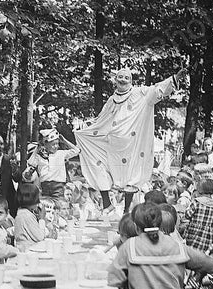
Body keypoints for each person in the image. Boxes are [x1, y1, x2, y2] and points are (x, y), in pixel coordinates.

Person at [75, 67, 186, 214]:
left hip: (132, 145)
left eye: (126, 78)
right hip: (112, 145)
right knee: (98, 165)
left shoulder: (140, 93)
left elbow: (157, 89)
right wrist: (86, 131)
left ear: (131, 81)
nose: (122, 80)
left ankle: (127, 209)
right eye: (120, 77)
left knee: (131, 177)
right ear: (115, 80)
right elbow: (101, 120)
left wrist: (175, 78)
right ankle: (107, 203)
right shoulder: (111, 100)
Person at [108, 202, 213, 289]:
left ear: (136, 227)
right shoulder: (177, 246)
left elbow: (114, 281)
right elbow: (208, 263)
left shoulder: (129, 247)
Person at [23, 129, 80, 198]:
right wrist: (28, 174)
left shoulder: (61, 154)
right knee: (47, 205)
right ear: (46, 144)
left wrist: (64, 141)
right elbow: (31, 167)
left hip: (58, 186)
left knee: (59, 204)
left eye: (57, 144)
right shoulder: (39, 156)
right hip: (45, 187)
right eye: (53, 144)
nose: (56, 146)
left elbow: (77, 150)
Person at [182, 179, 213, 252]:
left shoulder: (197, 201)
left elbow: (188, 215)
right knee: (203, 253)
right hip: (208, 233)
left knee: (192, 252)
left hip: (194, 231)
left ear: (200, 189)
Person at [14, 184, 46, 252]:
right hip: (28, 251)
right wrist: (42, 219)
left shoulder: (21, 212)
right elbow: (40, 237)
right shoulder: (27, 215)